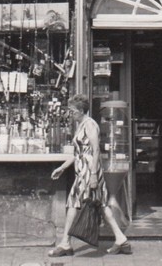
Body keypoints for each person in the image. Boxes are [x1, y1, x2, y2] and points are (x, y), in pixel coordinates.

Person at [49, 94, 131, 257]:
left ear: (81, 111)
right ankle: (121, 239)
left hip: (88, 172)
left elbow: (95, 150)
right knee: (101, 204)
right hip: (84, 171)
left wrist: (93, 175)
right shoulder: (81, 125)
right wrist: (63, 168)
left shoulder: (90, 124)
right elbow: (78, 153)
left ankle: (65, 243)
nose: (70, 114)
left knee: (74, 203)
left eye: (73, 111)